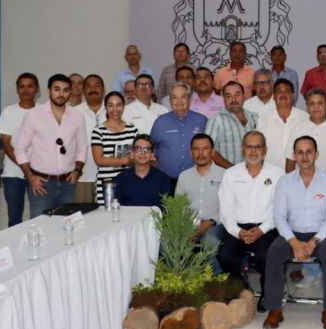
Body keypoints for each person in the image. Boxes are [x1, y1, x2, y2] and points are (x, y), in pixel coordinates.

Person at [262, 136, 326, 329]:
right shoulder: (284, 182)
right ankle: (274, 309)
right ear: (294, 155)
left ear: (316, 154)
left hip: (321, 235)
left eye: (309, 152)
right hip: (292, 234)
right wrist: (294, 242)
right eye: (300, 152)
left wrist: (314, 242)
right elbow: (279, 217)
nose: (304, 156)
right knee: (274, 252)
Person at [217, 131, 285, 310]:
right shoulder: (231, 174)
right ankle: (241, 289)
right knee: (224, 255)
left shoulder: (277, 174)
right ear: (242, 149)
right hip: (237, 227)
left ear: (265, 150)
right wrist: (238, 231)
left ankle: (267, 292)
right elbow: (225, 210)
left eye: (258, 147)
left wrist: (262, 229)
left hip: (267, 227)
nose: (253, 151)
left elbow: (279, 209)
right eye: (249, 147)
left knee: (266, 256)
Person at [15, 74, 88, 213]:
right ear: (49, 91)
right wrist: (30, 177)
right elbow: (20, 149)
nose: (61, 94)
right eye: (57, 89)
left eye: (66, 90)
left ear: (70, 92)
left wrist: (78, 170)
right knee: (40, 224)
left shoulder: (77, 116)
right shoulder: (33, 115)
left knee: (66, 223)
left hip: (68, 183)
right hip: (41, 184)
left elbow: (82, 147)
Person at [176, 134, 227, 273]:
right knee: (167, 242)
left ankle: (218, 276)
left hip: (216, 223)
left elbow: (228, 207)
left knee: (210, 242)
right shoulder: (184, 176)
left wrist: (211, 221)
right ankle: (183, 276)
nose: (200, 153)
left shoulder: (225, 175)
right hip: (189, 224)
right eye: (196, 149)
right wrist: (187, 228)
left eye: (205, 148)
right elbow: (179, 207)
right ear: (191, 153)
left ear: (213, 152)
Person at [0, 72, 39, 227]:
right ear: (17, 90)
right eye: (21, 86)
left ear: (37, 89)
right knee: (14, 218)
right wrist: (24, 166)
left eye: (30, 86)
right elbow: (6, 144)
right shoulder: (8, 112)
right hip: (13, 173)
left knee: (39, 215)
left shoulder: (43, 111)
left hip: (39, 172)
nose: (25, 90)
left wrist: (33, 170)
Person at [150, 82, 208, 184]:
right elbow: (153, 149)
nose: (179, 101)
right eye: (174, 97)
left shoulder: (202, 121)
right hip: (166, 181)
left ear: (189, 99)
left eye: (183, 97)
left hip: (196, 180)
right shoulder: (160, 122)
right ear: (170, 101)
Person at [91, 91, 139, 204]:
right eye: (111, 105)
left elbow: (136, 156)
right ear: (105, 107)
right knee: (105, 213)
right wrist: (126, 161)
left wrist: (113, 159)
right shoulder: (98, 131)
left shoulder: (132, 129)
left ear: (123, 106)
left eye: (119, 105)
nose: (115, 109)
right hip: (106, 183)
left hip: (129, 182)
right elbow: (99, 160)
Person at [287, 88, 326, 177]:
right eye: (312, 103)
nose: (316, 107)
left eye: (320, 103)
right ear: (307, 107)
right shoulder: (297, 129)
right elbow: (290, 160)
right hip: (304, 181)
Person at [257, 78, 309, 171]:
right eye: (279, 91)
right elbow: (259, 147)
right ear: (273, 96)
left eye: (287, 91)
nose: (283, 94)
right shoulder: (264, 119)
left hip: (298, 174)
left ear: (293, 95)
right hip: (270, 173)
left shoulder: (305, 118)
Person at [205, 81, 258, 167]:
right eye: (228, 96)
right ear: (224, 99)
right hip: (226, 173)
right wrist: (232, 169)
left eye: (237, 94)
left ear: (244, 96)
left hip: (253, 172)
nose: (233, 99)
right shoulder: (216, 120)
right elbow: (207, 148)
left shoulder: (255, 118)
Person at [114, 134, 173, 206]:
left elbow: (167, 209)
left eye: (147, 149)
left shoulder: (163, 179)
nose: (143, 153)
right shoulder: (121, 179)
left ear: (152, 155)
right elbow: (117, 208)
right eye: (139, 149)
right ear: (132, 154)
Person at [74, 74, 107, 202]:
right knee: (82, 213)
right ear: (83, 90)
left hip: (109, 175)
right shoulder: (74, 112)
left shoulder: (113, 110)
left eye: (97, 85)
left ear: (103, 89)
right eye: (88, 86)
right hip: (82, 177)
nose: (93, 89)